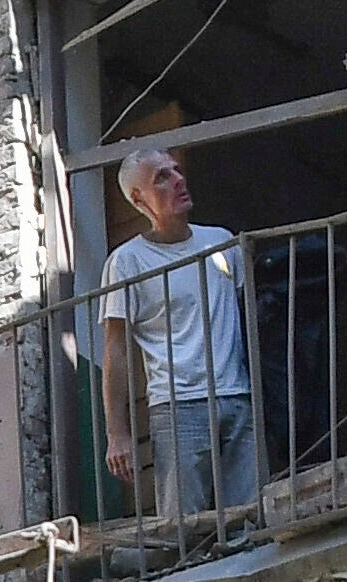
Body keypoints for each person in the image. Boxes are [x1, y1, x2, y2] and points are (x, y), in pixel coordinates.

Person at [96, 134, 258, 519]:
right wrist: (117, 434)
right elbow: (115, 349)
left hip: (237, 397)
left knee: (251, 519)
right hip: (178, 406)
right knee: (182, 527)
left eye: (176, 171)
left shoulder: (221, 243)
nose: (178, 180)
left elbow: (250, 316)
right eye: (161, 178)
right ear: (138, 200)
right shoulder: (127, 262)